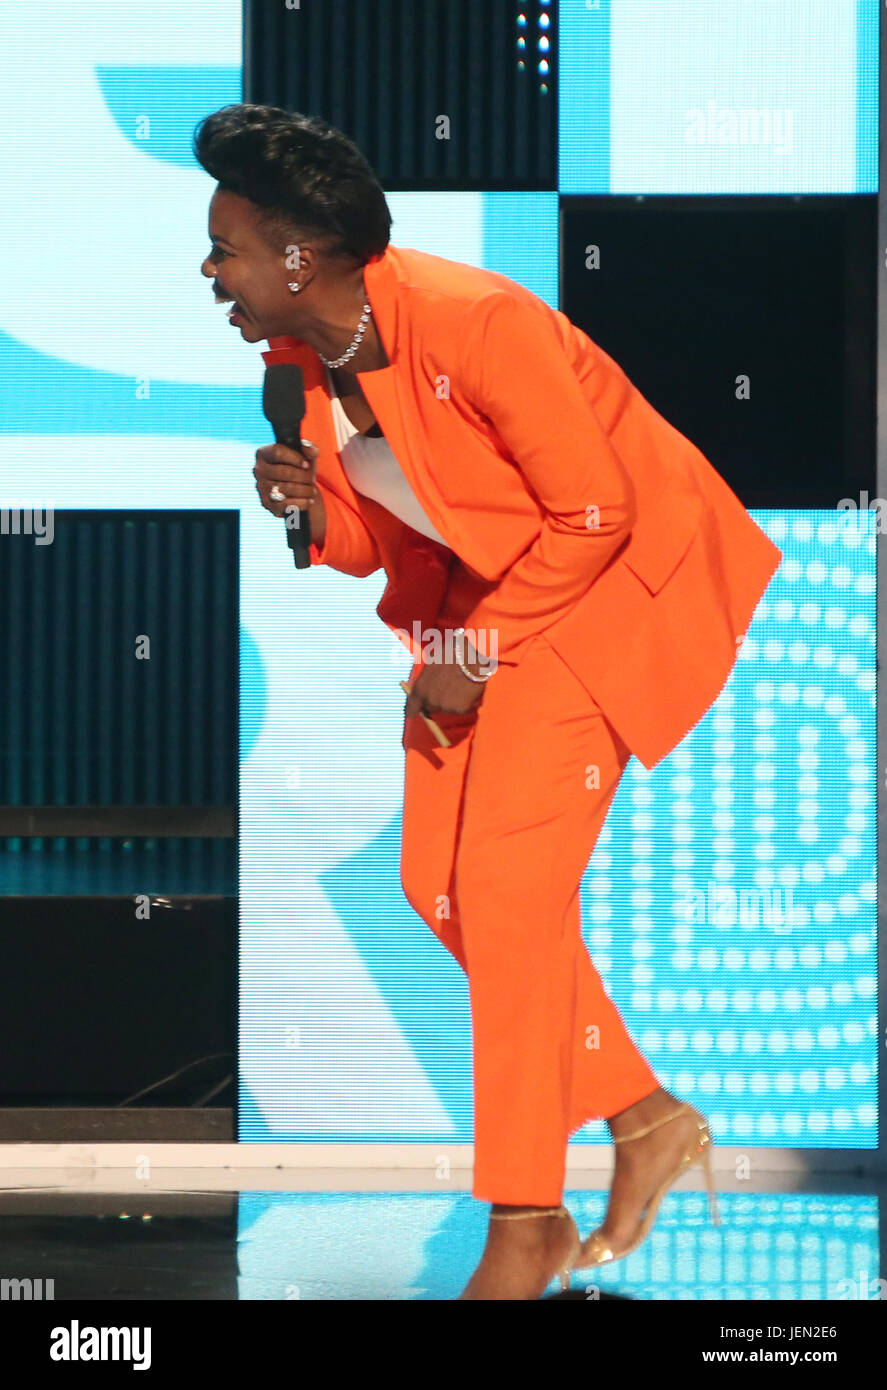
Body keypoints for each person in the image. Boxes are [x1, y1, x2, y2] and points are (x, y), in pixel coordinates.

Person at [195, 103, 781, 1300]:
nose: (213, 273)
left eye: (227, 249)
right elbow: (383, 531)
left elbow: (596, 512)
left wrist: (481, 644)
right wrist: (309, 509)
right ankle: (644, 1114)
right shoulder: (296, 366)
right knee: (439, 884)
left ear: (299, 258)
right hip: (485, 603)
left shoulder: (475, 321)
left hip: (606, 592)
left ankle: (526, 1220)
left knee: (511, 890)